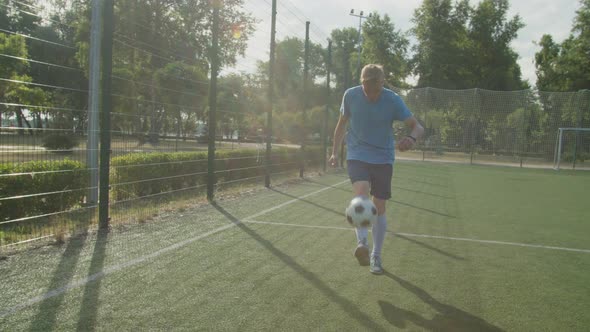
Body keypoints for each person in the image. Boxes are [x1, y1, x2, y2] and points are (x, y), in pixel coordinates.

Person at [328, 64, 424, 274]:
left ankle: (376, 256)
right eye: (367, 90)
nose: (372, 95)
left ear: (382, 83)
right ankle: (362, 243)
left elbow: (418, 126)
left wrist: (411, 138)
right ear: (362, 83)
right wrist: (335, 152)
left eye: (376, 90)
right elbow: (341, 124)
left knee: (379, 206)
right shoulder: (350, 96)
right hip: (357, 154)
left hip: (383, 157)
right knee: (361, 194)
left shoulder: (392, 99)